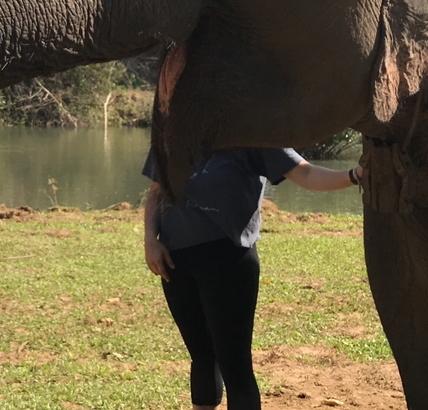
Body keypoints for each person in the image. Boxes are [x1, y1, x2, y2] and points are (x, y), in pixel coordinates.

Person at [142, 147, 362, 410]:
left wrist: (355, 175)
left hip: (229, 260)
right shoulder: (174, 133)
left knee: (235, 365)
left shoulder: (251, 132)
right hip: (175, 261)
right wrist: (149, 240)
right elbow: (156, 190)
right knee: (201, 356)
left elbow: (307, 175)